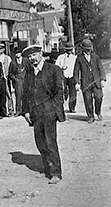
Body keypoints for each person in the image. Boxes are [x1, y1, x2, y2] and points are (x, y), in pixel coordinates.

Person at [22, 45, 65, 184]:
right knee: (40, 143)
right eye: (29, 57)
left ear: (41, 54)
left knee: (50, 142)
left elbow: (60, 93)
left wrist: (54, 109)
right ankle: (47, 168)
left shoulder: (53, 69)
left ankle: (55, 173)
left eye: (34, 55)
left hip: (49, 113)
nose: (32, 58)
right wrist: (26, 111)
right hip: (35, 114)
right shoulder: (29, 73)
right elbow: (25, 94)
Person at [73, 39, 106, 123]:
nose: (88, 51)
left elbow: (101, 68)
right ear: (83, 49)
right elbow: (76, 71)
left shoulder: (96, 57)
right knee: (88, 100)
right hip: (85, 82)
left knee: (99, 97)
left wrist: (102, 79)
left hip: (96, 81)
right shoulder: (79, 58)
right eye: (87, 49)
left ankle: (98, 112)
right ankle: (90, 116)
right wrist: (77, 82)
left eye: (90, 49)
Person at [55, 42, 77, 113]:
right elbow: (56, 66)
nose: (69, 51)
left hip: (72, 76)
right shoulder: (61, 57)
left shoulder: (74, 58)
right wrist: (61, 67)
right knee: (64, 91)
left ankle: (72, 107)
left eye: (70, 50)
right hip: (63, 76)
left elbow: (77, 67)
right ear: (65, 50)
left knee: (73, 92)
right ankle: (62, 106)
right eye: (68, 50)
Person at [8, 47, 29, 116]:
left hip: (26, 81)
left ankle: (26, 110)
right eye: (16, 53)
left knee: (26, 96)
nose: (17, 54)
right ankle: (18, 111)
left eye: (19, 53)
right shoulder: (12, 63)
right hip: (17, 82)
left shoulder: (26, 60)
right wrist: (15, 79)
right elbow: (10, 73)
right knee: (18, 96)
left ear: (21, 54)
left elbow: (30, 70)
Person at [0, 43, 14, 116]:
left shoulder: (7, 58)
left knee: (8, 94)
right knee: (0, 95)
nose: (0, 50)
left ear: (4, 49)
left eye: (1, 48)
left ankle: (10, 109)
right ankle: (2, 111)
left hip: (6, 78)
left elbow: (10, 68)